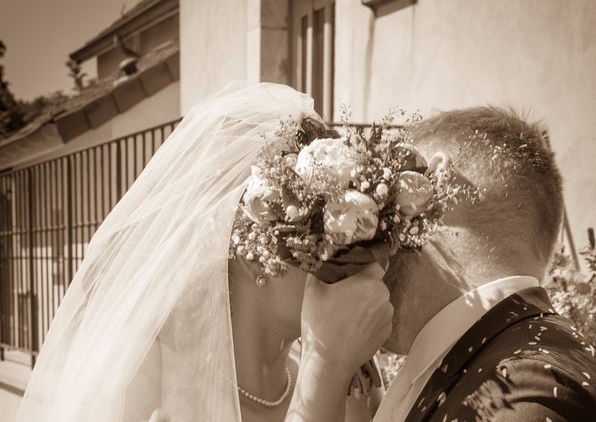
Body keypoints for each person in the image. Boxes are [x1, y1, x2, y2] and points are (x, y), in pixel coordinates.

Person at [16, 83, 392, 422]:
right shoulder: (143, 382)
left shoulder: (352, 381)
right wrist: (325, 371)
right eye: (331, 243)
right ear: (256, 254)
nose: (361, 268)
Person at [375, 107, 596, 422]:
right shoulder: (513, 364)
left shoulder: (523, 393)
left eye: (386, 201)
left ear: (436, 183)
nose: (372, 238)